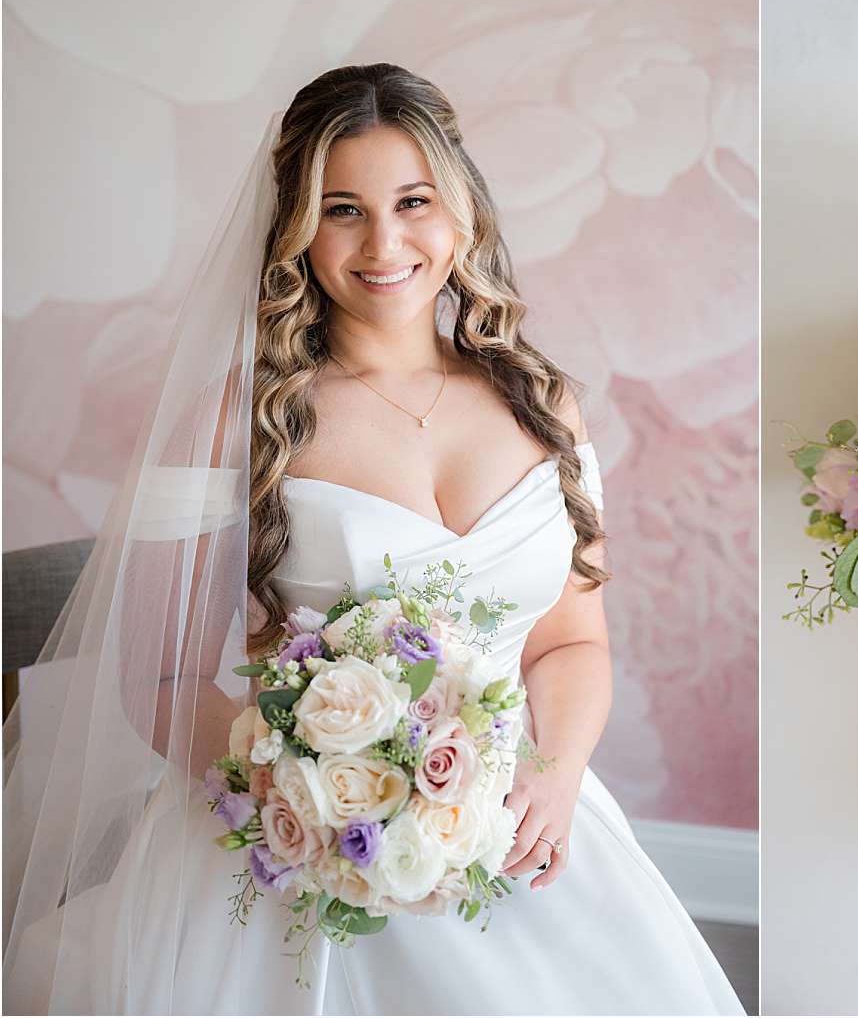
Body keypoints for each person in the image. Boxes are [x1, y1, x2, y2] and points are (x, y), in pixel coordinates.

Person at [2, 64, 745, 1015]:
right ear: (297, 230)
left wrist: (552, 783)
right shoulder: (234, 419)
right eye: (342, 208)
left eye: (413, 201)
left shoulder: (544, 405)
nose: (384, 242)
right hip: (290, 846)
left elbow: (570, 641)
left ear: (460, 210)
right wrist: (298, 792)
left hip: (514, 817)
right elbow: (157, 676)